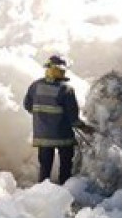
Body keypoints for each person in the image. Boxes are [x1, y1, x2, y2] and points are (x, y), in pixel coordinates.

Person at [23, 55, 91, 184]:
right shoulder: (66, 89)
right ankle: (64, 191)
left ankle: (43, 193)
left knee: (45, 167)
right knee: (65, 166)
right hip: (63, 136)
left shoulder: (35, 86)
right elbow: (73, 119)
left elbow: (27, 105)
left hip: (42, 135)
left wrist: (42, 117)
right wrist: (85, 128)